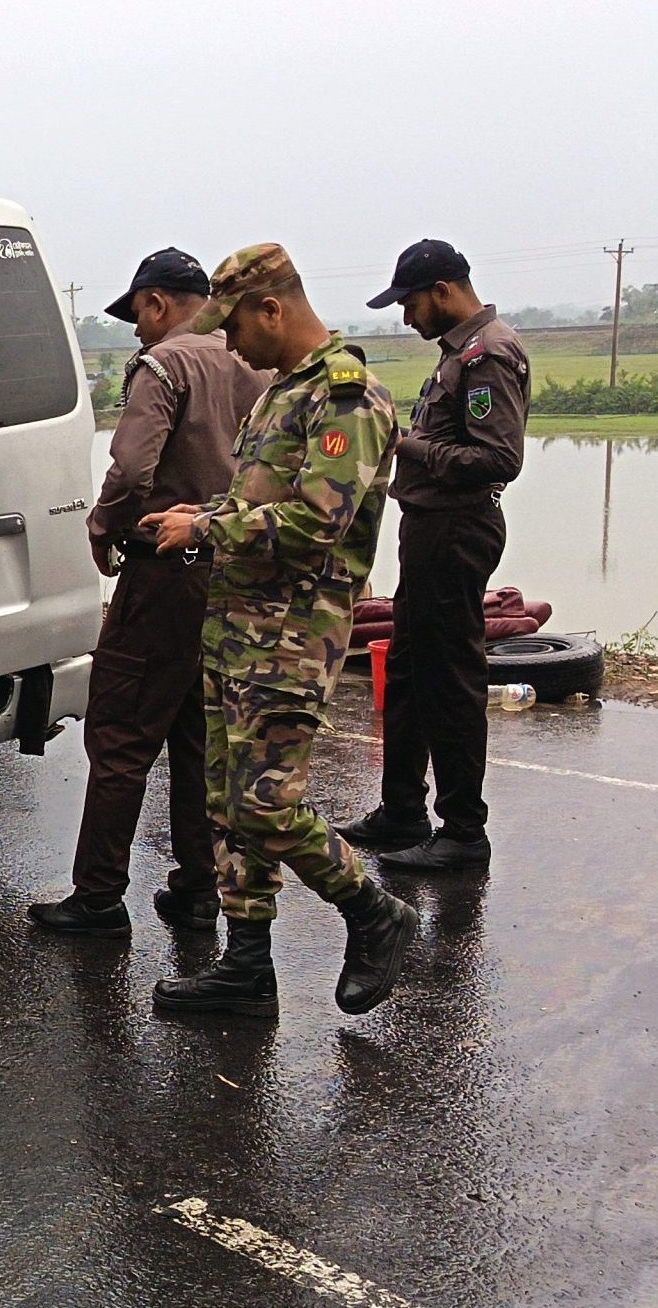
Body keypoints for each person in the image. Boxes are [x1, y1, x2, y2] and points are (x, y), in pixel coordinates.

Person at [138, 244, 420, 1019]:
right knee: (227, 803)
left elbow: (312, 524)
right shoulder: (279, 395)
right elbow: (258, 502)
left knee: (267, 803)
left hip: (293, 635)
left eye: (234, 327)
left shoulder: (347, 399)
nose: (227, 344)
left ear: (273, 309)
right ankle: (247, 966)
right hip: (237, 627)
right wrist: (202, 519)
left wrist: (203, 529)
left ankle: (374, 911)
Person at [30, 248, 270, 936]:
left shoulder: (164, 365)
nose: (135, 329)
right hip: (227, 567)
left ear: (159, 303)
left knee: (121, 732)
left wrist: (103, 527)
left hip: (164, 570)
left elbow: (134, 466)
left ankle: (99, 897)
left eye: (137, 313)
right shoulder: (254, 364)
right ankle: (199, 887)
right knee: (196, 734)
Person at [339, 240, 531, 872]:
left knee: (449, 680)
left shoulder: (489, 354)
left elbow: (498, 460)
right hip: (429, 528)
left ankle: (463, 832)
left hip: (457, 528)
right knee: (410, 670)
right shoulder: (459, 354)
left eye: (411, 302)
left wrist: (408, 447)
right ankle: (401, 812)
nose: (406, 317)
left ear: (444, 290)